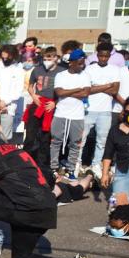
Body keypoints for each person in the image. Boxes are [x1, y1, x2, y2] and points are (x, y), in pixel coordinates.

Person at [50, 49, 92, 177]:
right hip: (60, 114)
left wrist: (67, 91)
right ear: (71, 62)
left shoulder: (85, 75)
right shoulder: (61, 75)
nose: (82, 66)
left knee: (75, 144)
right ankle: (54, 167)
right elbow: (59, 93)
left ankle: (70, 169)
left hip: (77, 116)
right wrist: (76, 90)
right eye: (79, 63)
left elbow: (85, 93)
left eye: (83, 63)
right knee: (56, 142)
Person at [82, 43, 121, 178]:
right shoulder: (89, 69)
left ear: (109, 56)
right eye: (101, 56)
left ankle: (96, 165)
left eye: (106, 56)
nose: (103, 58)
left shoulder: (115, 69)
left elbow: (115, 90)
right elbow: (87, 90)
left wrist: (96, 87)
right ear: (97, 55)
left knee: (102, 141)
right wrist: (107, 85)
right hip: (89, 109)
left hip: (105, 110)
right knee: (82, 139)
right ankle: (77, 163)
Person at [25, 46, 61, 174]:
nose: (47, 61)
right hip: (37, 103)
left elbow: (63, 92)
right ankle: (26, 161)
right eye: (45, 58)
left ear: (56, 58)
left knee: (45, 137)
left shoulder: (61, 72)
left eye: (49, 58)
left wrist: (55, 103)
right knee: (30, 135)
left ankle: (42, 164)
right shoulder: (37, 69)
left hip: (51, 106)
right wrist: (33, 96)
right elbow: (30, 86)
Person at [0, 45, 24, 142]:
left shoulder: (18, 69)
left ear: (13, 56)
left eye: (8, 57)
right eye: (3, 57)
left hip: (8, 106)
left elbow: (18, 91)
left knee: (5, 135)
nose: (5, 59)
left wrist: (5, 102)